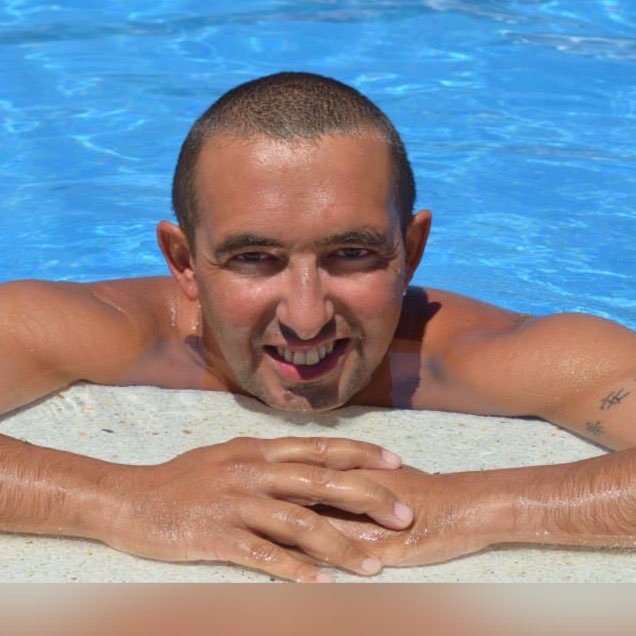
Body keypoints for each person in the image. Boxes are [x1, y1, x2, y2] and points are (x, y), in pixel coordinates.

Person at [1, 72, 635, 583]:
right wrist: (118, 499)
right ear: (184, 262)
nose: (306, 318)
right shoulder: (91, 328)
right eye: (255, 258)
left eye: (351, 254)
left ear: (411, 251)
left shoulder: (499, 354)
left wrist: (475, 506)